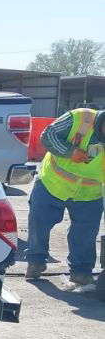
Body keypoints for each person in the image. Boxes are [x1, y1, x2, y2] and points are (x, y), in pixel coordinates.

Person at [25, 107, 105, 285]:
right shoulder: (81, 118)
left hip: (88, 193)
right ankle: (36, 262)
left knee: (85, 234)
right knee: (39, 223)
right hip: (52, 184)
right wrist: (69, 151)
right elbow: (48, 134)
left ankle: (81, 271)